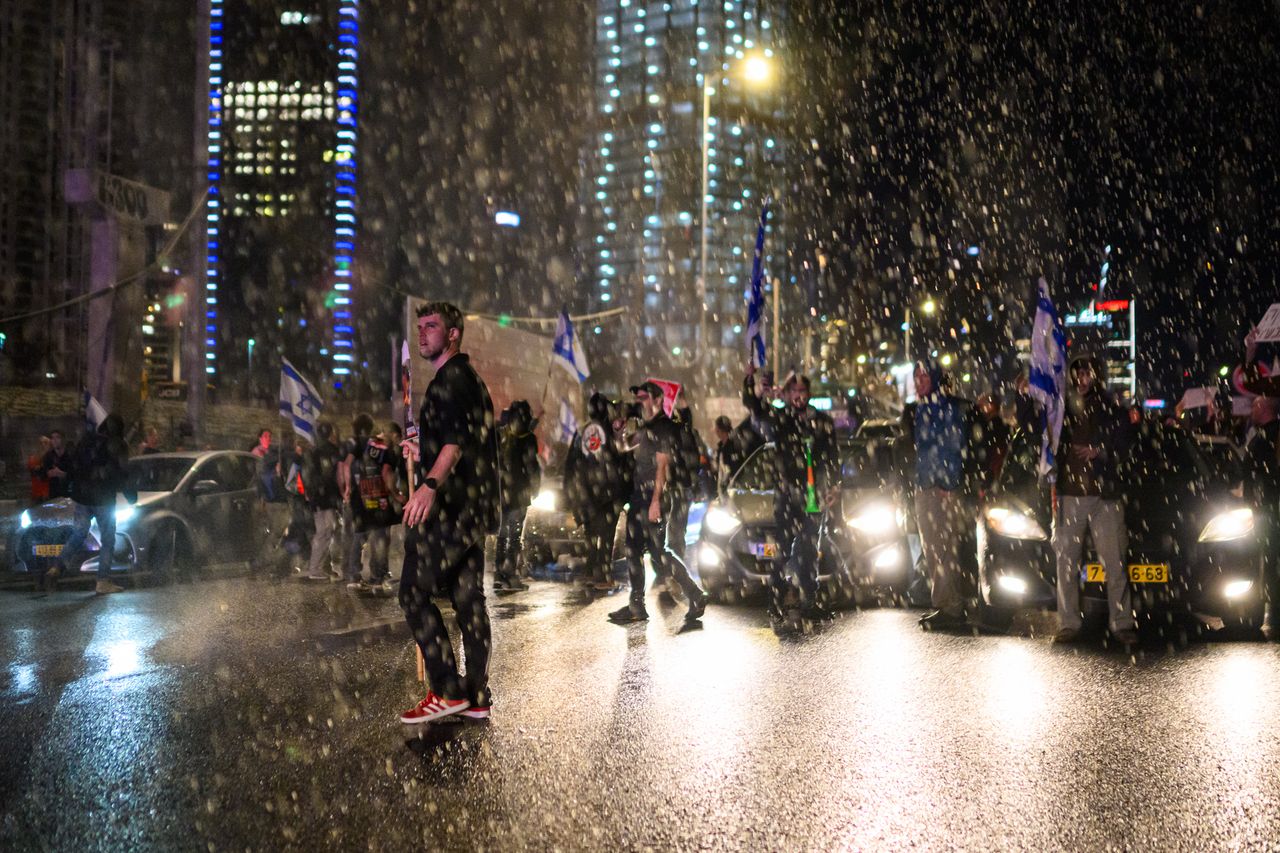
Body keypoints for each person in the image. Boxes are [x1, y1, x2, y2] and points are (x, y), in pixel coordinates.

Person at [398, 301, 500, 724]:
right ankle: (476, 694)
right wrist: (423, 452)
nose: (422, 334)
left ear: (453, 334)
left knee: (413, 592)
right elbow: (459, 444)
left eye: (432, 326)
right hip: (473, 509)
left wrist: (429, 484)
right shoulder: (468, 380)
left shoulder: (451, 380)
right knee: (466, 599)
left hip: (453, 511)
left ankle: (446, 688)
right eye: (419, 327)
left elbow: (456, 444)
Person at [1052, 355, 1139, 645]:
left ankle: (1122, 623)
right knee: (1066, 563)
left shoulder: (1110, 407)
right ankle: (1068, 623)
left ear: (1095, 375)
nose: (1082, 379)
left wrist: (1099, 451)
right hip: (1070, 495)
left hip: (1104, 496)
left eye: (1086, 373)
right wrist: (1025, 394)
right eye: (1077, 374)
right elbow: (1039, 432)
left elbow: (1126, 443)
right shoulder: (1061, 407)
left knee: (1114, 562)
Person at [743, 365, 839, 625]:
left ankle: (810, 601)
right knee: (780, 552)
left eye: (802, 390)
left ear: (808, 393)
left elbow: (831, 456)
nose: (799, 395)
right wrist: (753, 384)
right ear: (786, 394)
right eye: (793, 391)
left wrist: (833, 485)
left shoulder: (821, 421)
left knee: (809, 551)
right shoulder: (781, 419)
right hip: (787, 496)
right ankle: (775, 602)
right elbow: (755, 409)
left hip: (812, 497)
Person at [609, 381, 708, 626]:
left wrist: (655, 502)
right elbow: (622, 446)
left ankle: (693, 595)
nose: (639, 402)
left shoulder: (664, 427)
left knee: (658, 553)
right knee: (636, 550)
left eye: (643, 398)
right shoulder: (648, 426)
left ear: (656, 399)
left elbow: (662, 467)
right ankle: (637, 604)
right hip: (640, 496)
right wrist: (619, 430)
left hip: (652, 499)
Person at [900, 359, 974, 630]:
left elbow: (953, 444)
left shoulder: (945, 406)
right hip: (925, 484)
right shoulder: (920, 409)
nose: (919, 381)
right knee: (932, 547)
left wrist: (947, 482)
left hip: (940, 488)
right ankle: (944, 603)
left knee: (942, 547)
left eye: (924, 376)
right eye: (916, 376)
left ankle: (950, 606)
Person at [62, 414, 137, 595]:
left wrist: (74, 490)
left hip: (83, 497)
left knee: (79, 533)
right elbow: (123, 473)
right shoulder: (117, 444)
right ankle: (102, 581)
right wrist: (131, 496)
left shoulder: (88, 441)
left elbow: (75, 466)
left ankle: (57, 565)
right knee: (108, 540)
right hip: (103, 499)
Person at [565, 393, 628, 591]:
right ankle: (604, 575)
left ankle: (591, 571)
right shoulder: (607, 431)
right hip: (606, 493)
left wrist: (574, 493)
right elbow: (616, 461)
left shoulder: (581, 432)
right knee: (607, 536)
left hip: (587, 493)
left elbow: (572, 464)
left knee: (591, 535)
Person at [343, 414, 397, 594]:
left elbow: (346, 464)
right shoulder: (385, 447)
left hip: (361, 496)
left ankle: (353, 577)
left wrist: (348, 487)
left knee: (360, 535)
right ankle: (377, 578)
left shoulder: (360, 443)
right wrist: (394, 493)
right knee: (380, 537)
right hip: (379, 496)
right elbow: (386, 472)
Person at [1242, 395, 1280, 639]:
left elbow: (1249, 472)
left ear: (1262, 407)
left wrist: (1252, 500)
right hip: (1271, 505)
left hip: (1269, 508)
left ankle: (1271, 607)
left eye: (1254, 406)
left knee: (1267, 560)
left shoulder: (1262, 439)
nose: (1250, 411)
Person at [494, 400, 540, 592]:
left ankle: (499, 574)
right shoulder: (528, 438)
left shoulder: (501, 434)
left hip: (501, 493)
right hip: (519, 494)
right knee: (514, 536)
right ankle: (510, 574)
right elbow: (531, 466)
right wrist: (535, 486)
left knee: (502, 535)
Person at [300, 422, 343, 581]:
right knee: (325, 532)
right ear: (330, 432)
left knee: (325, 531)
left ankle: (319, 566)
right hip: (328, 497)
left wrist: (309, 493)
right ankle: (315, 568)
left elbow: (306, 475)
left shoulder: (312, 451)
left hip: (318, 498)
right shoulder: (331, 451)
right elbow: (337, 475)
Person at [969, 392, 1010, 499]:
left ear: (990, 405)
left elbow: (991, 453)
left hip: (990, 476)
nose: (979, 409)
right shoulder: (999, 426)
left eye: (981, 405)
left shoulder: (992, 427)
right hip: (991, 475)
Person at [712, 415, 745, 493]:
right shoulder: (721, 447)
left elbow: (735, 467)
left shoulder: (734, 446)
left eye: (716, 428)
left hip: (733, 487)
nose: (715, 430)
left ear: (720, 430)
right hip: (724, 486)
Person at [40, 430, 72, 499]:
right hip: (54, 494)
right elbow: (42, 475)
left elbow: (78, 473)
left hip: (70, 494)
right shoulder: (48, 456)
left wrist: (64, 474)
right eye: (52, 438)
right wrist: (49, 473)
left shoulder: (71, 455)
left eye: (57, 437)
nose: (55, 440)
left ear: (63, 439)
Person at [27, 435, 52, 505]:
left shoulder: (53, 458)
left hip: (50, 494)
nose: (43, 445)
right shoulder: (32, 459)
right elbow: (36, 474)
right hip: (37, 494)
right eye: (41, 443)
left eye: (46, 443)